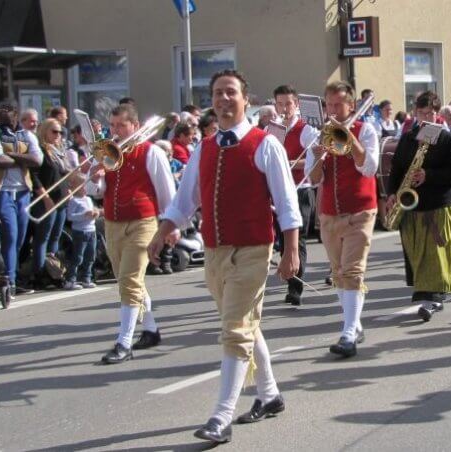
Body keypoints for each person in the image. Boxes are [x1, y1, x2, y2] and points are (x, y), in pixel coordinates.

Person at [150, 69, 302, 444]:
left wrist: (291, 250)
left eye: (230, 92)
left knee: (234, 330)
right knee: (245, 323)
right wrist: (164, 229)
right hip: (215, 250)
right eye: (218, 93)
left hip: (252, 249)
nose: (223, 99)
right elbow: (186, 200)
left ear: (245, 100)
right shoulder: (205, 147)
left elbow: (286, 202)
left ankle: (221, 417)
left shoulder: (265, 144)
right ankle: (269, 395)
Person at [90, 104, 175, 364]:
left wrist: (171, 226)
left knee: (129, 280)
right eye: (112, 126)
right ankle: (150, 329)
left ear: (134, 126)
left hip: (143, 222)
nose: (115, 131)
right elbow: (96, 192)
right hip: (113, 223)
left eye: (120, 126)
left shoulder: (151, 152)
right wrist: (95, 177)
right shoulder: (107, 153)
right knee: (129, 281)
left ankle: (123, 343)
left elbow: (167, 190)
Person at [306, 80, 380, 358]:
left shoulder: (366, 129)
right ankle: (355, 323)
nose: (334, 110)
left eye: (339, 104)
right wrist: (315, 158)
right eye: (330, 105)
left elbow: (369, 168)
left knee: (352, 271)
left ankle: (348, 333)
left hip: (360, 210)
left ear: (351, 105)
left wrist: (351, 141)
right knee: (338, 272)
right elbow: (315, 180)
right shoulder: (320, 134)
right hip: (329, 212)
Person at [387, 91, 451, 320]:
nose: (427, 117)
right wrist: (392, 192)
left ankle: (435, 296)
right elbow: (397, 168)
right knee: (416, 250)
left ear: (437, 113)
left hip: (440, 203)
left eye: (431, 112)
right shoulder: (408, 138)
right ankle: (423, 291)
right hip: (414, 206)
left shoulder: (447, 138)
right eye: (422, 112)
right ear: (415, 113)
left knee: (436, 252)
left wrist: (428, 174)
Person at [0, 103, 42, 295]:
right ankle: (9, 281)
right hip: (1, 191)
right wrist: (23, 158)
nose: (2, 116)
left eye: (6, 113)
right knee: (10, 234)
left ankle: (11, 274)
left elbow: (37, 160)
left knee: (20, 239)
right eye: (0, 112)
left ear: (15, 115)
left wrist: (11, 155)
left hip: (23, 192)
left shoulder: (27, 135)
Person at [272, 84, 320, 306]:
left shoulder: (307, 130)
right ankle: (290, 276)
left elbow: (311, 161)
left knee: (297, 238)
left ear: (296, 104)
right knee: (282, 240)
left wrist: (289, 163)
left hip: (301, 189)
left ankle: (295, 287)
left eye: (288, 104)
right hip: (280, 190)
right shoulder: (272, 130)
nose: (284, 108)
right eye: (280, 104)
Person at [29, 117, 74, 288]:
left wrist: (68, 189)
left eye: (60, 132)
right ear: (44, 131)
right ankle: (39, 274)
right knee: (43, 237)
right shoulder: (41, 150)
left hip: (60, 199)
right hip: (46, 199)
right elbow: (35, 176)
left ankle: (52, 271)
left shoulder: (58, 151)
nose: (58, 135)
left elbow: (63, 174)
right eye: (54, 131)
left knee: (55, 236)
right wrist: (45, 197)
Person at [63, 172, 98, 290]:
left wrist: (95, 213)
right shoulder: (74, 201)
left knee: (90, 256)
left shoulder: (88, 199)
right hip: (80, 231)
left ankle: (87, 278)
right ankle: (70, 279)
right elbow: (70, 216)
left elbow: (92, 210)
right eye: (82, 186)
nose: (84, 188)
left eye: (85, 186)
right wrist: (84, 215)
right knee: (78, 257)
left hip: (91, 230)